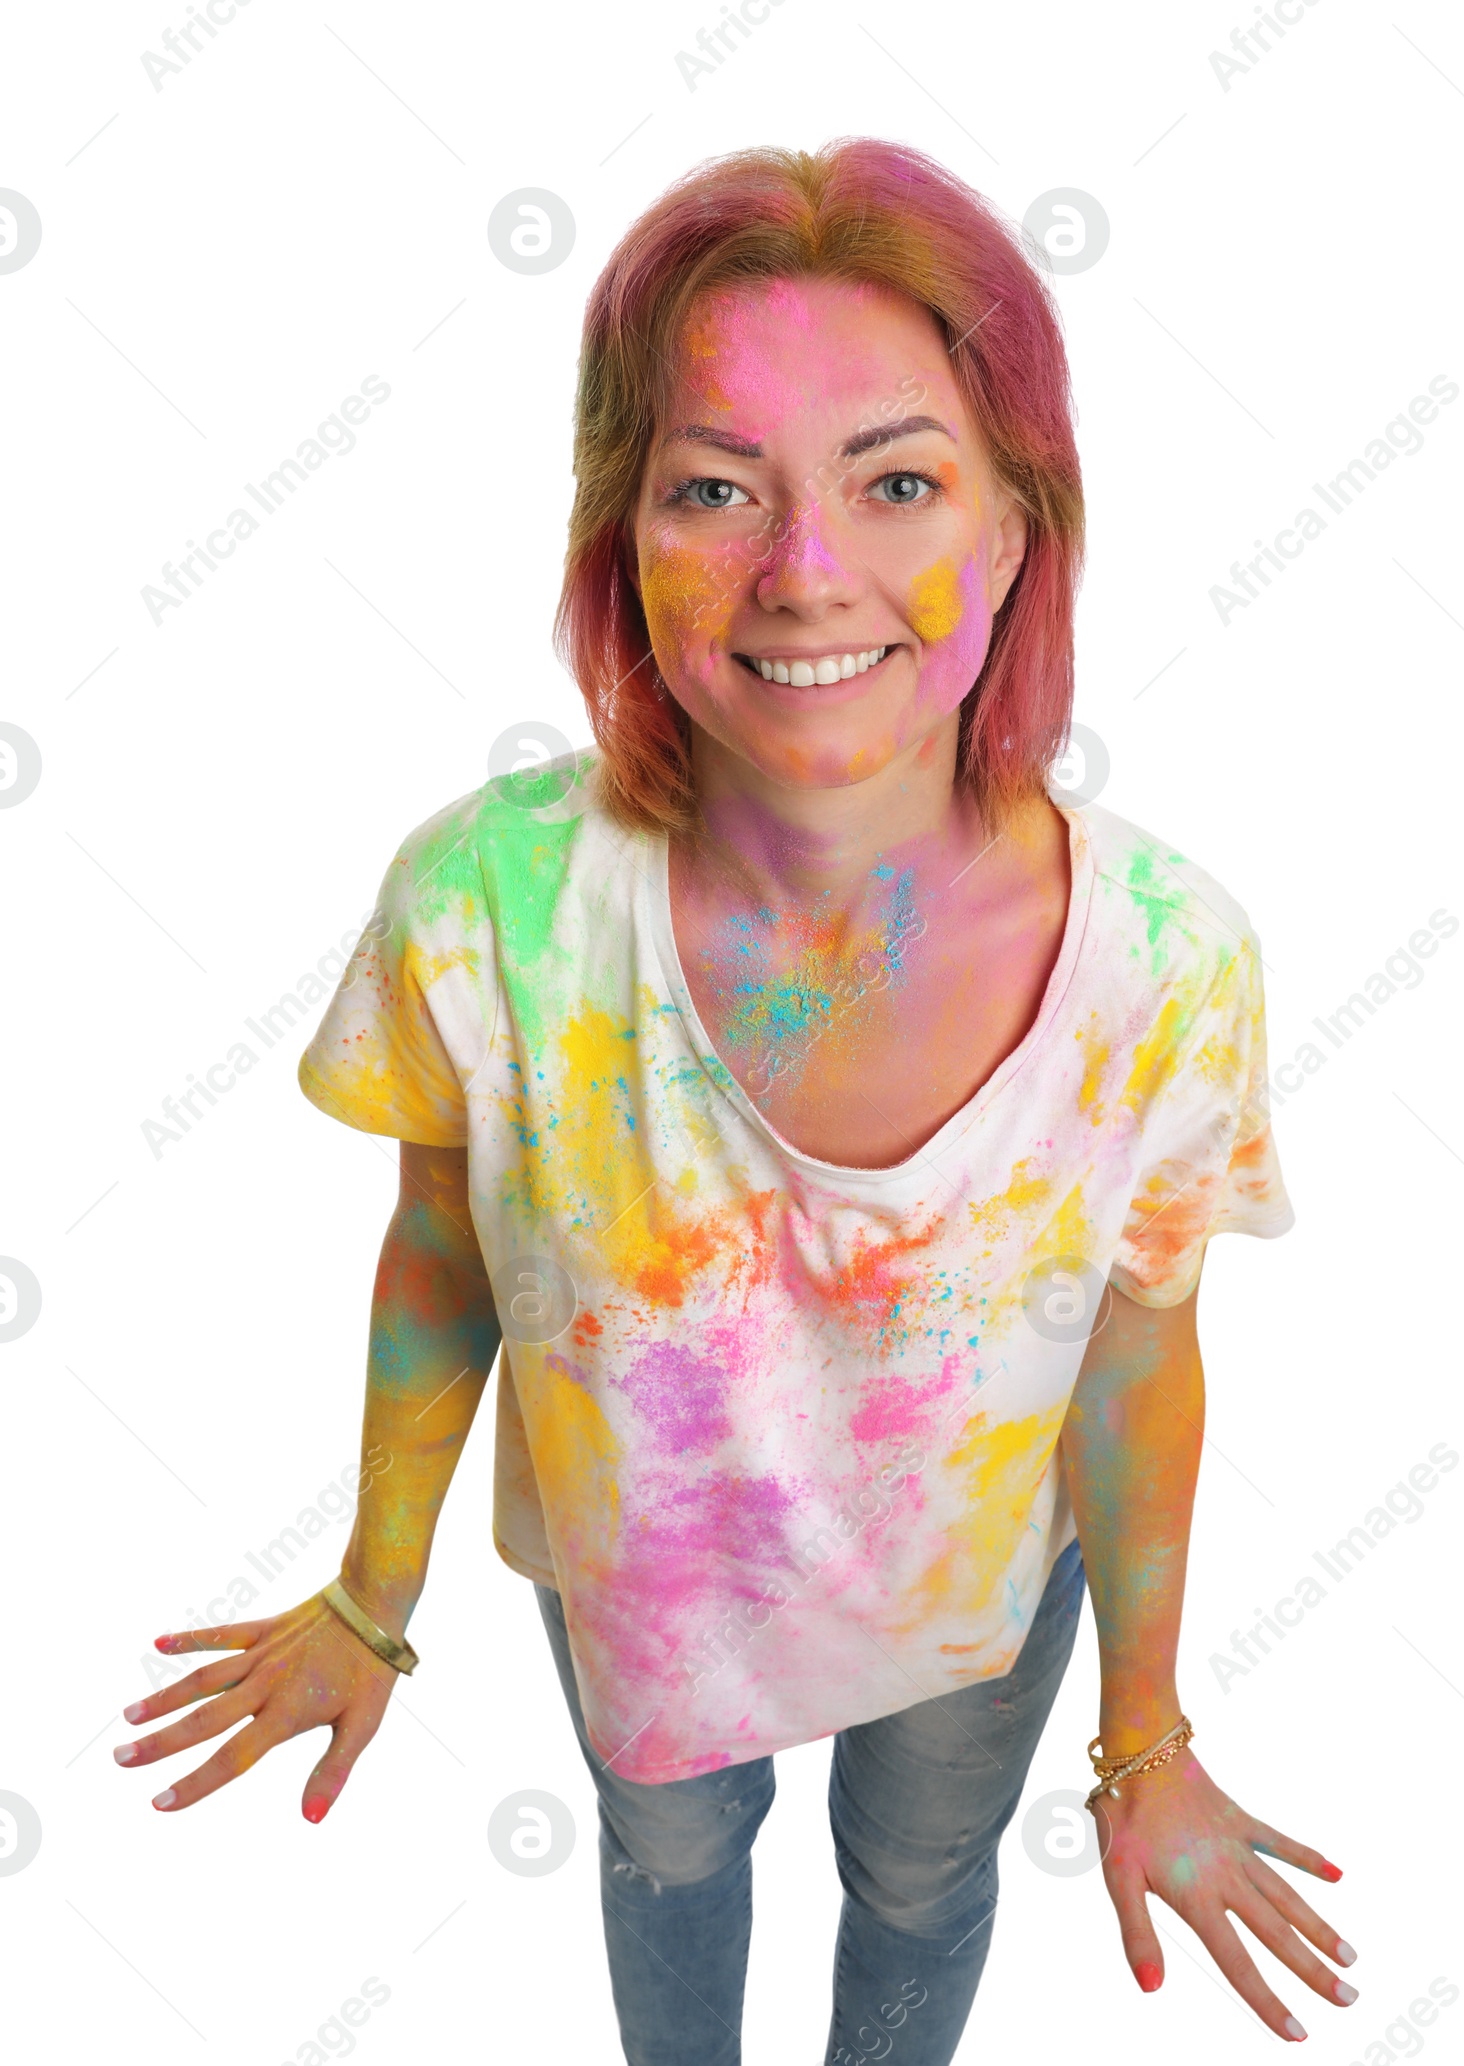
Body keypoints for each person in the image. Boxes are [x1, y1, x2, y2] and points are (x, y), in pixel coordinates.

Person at [115, 139, 1355, 2065]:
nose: (802, 570)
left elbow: (1138, 1349)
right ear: (625, 535)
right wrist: (372, 1592)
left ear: (1019, 531)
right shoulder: (491, 905)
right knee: (670, 1862)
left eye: (897, 482)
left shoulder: (1168, 964)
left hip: (972, 1619)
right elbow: (444, 1246)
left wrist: (1146, 1732)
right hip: (645, 1606)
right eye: (715, 487)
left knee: (923, 1881)